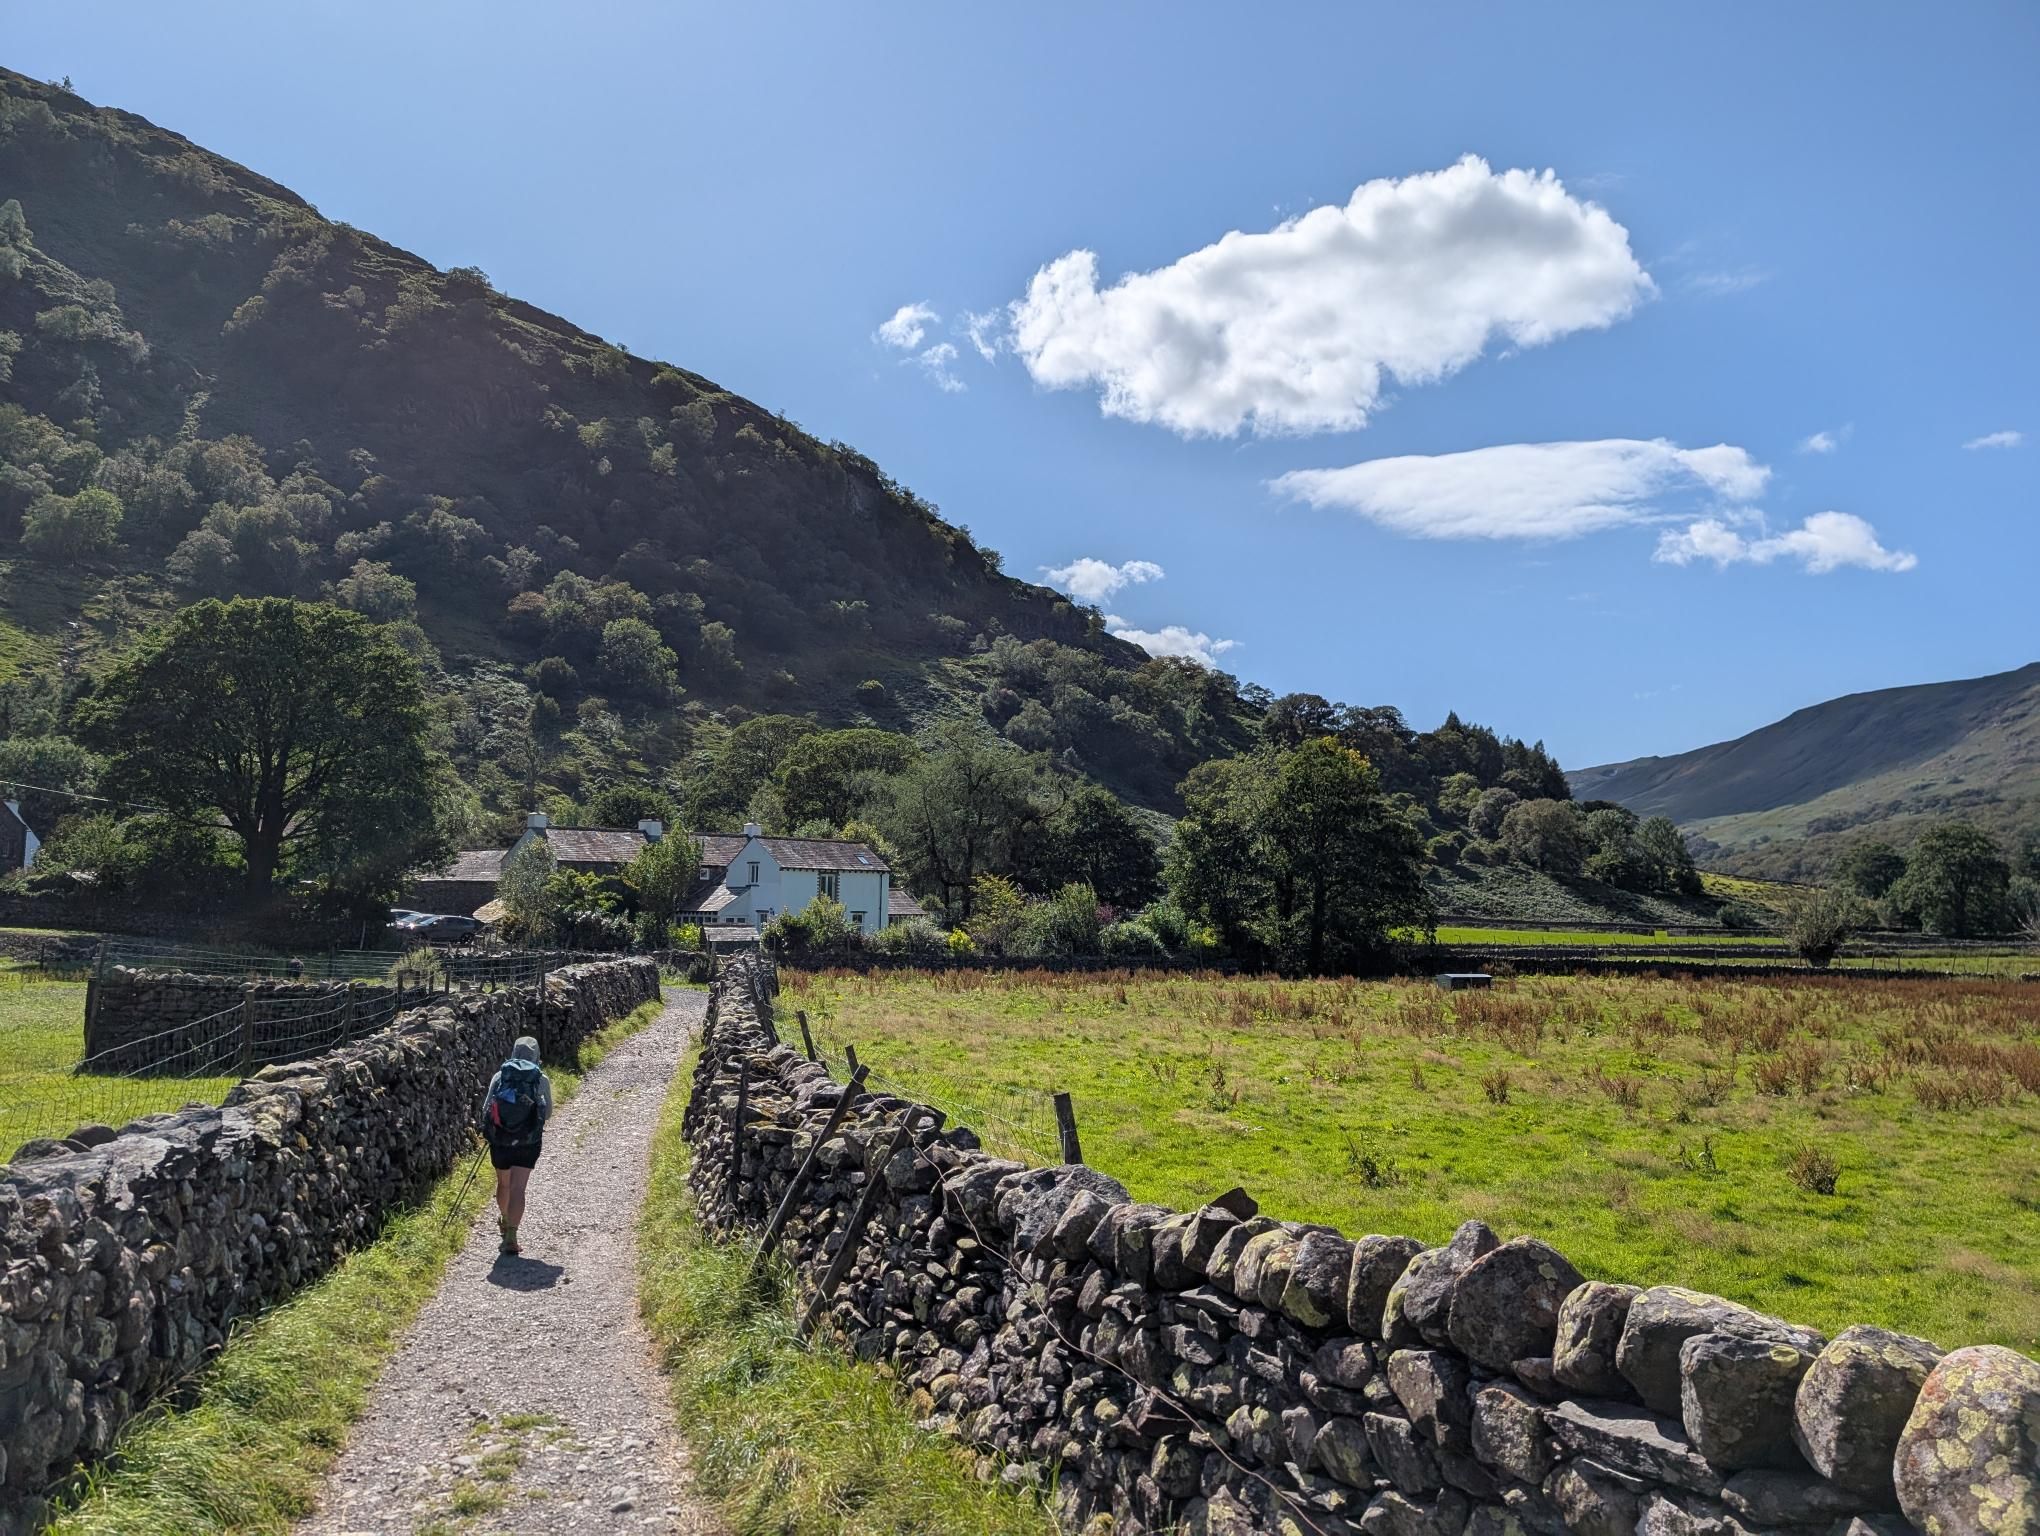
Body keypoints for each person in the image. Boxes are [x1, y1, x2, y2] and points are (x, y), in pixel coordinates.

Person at [479, 1035, 552, 1255]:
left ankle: (503, 1218)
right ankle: (511, 1235)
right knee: (519, 1188)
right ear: (536, 1054)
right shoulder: (541, 1079)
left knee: (504, 1184)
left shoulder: (501, 1076)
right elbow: (547, 1113)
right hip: (528, 1141)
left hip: (500, 1140)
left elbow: (486, 1109)